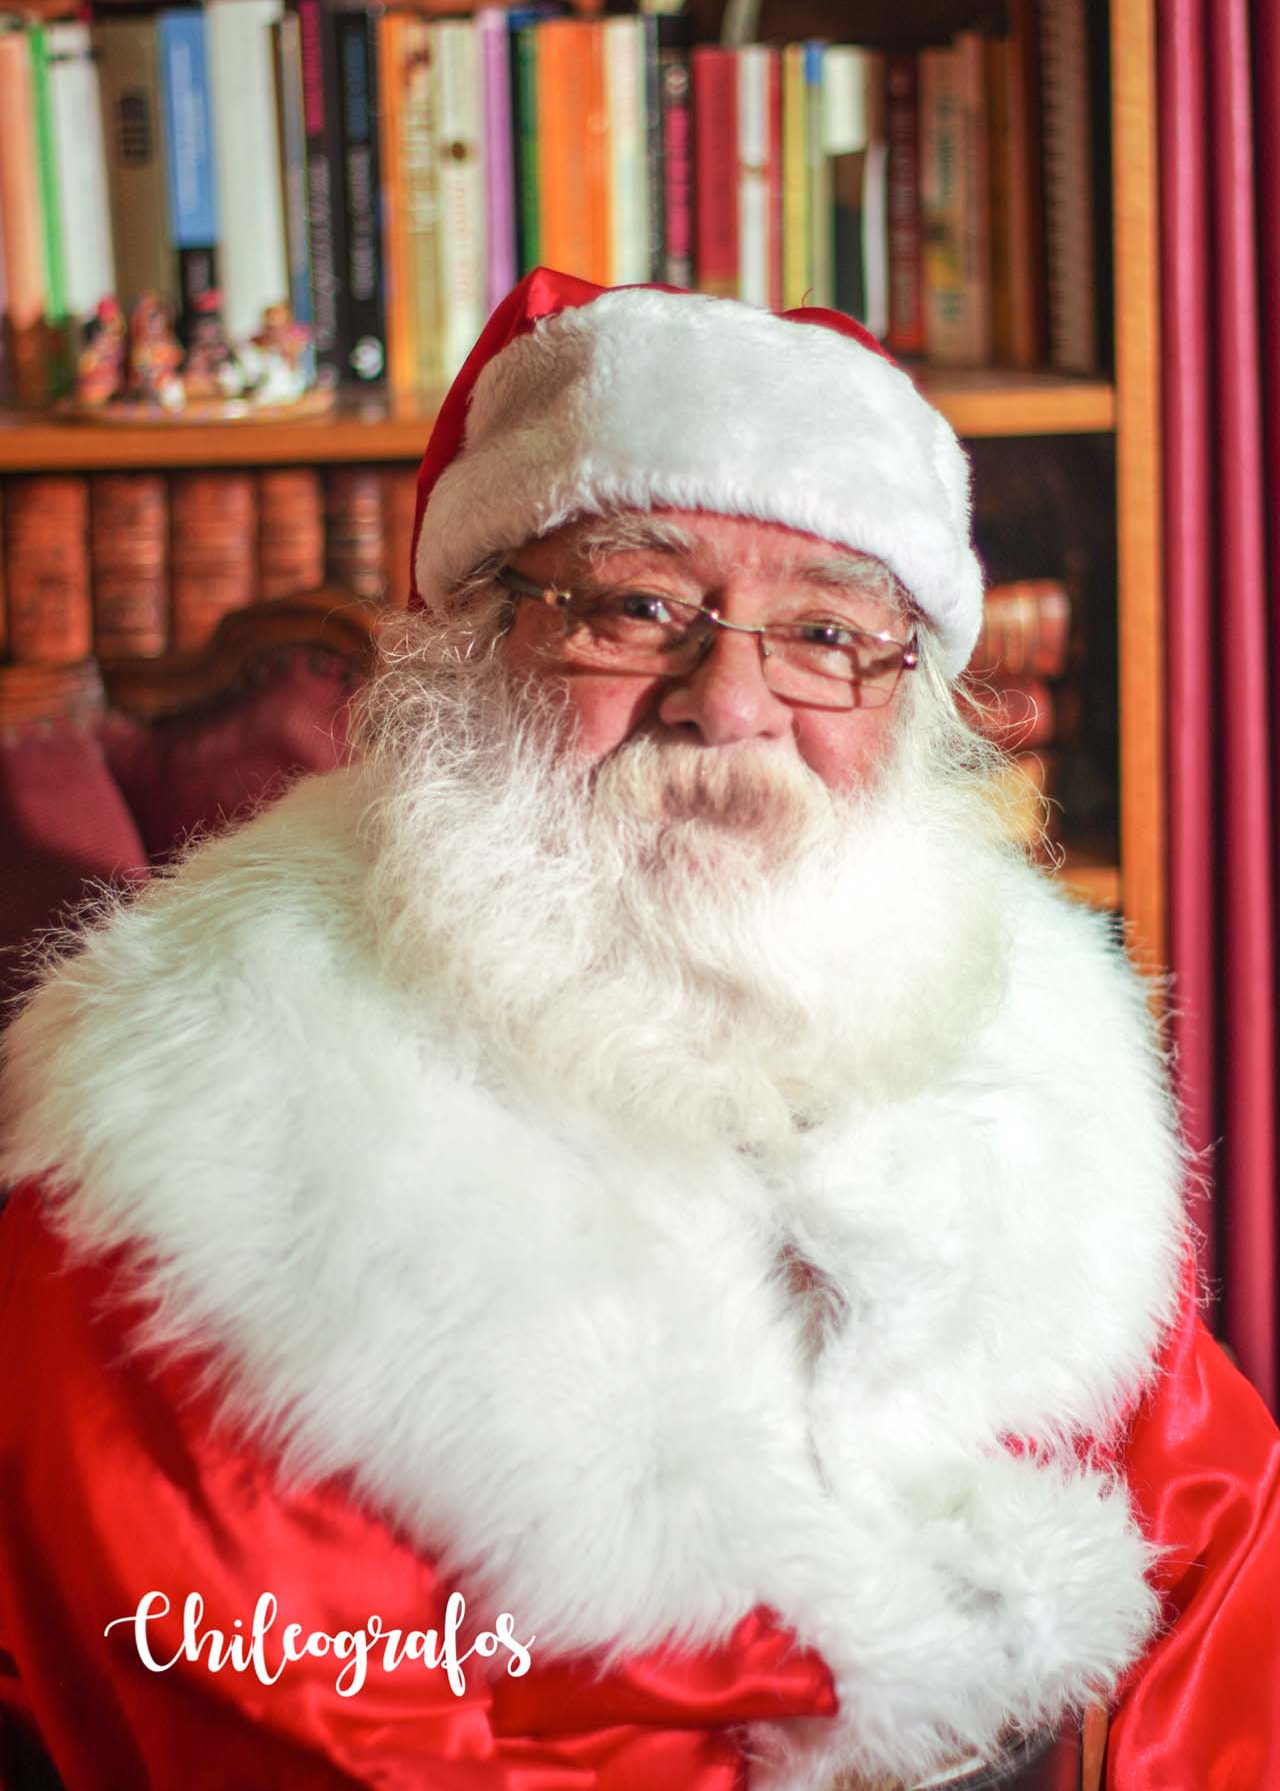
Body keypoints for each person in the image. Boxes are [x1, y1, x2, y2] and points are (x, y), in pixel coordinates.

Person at [0, 269, 1276, 1791]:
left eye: (825, 634)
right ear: (472, 638)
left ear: (909, 695)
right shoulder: (191, 1145)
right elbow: (304, 1730)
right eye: (640, 609)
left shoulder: (1025, 1032)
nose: (729, 703)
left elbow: (1222, 1542)